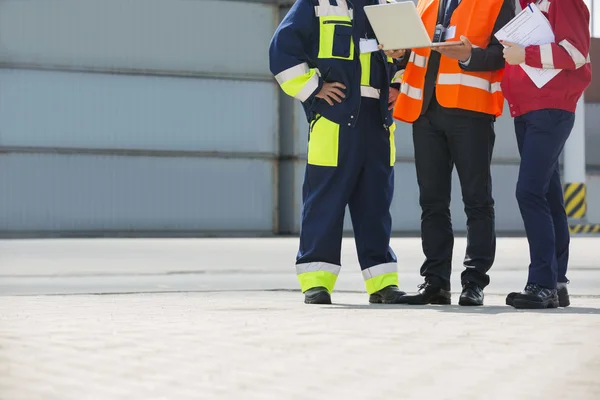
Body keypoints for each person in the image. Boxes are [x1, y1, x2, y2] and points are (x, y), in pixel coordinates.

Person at [269, 0, 408, 305]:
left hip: (378, 119)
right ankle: (316, 282)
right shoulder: (318, 3)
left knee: (376, 202)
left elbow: (408, 54)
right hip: (334, 119)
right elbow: (282, 49)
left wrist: (399, 84)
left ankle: (383, 282)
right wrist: (313, 87)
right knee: (324, 202)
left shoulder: (389, 5)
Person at [381, 0, 515, 306]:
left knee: (477, 199)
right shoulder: (424, 3)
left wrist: (470, 56)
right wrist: (399, 55)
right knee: (432, 202)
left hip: (471, 112)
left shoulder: (496, 2)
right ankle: (435, 282)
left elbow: (505, 53)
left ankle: (474, 282)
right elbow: (415, 54)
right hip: (425, 111)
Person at [501, 0, 592, 309]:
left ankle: (542, 284)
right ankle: (556, 282)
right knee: (548, 195)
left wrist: (523, 54)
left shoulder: (564, 2)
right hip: (526, 110)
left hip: (550, 110)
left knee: (528, 192)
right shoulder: (524, 5)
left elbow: (576, 53)